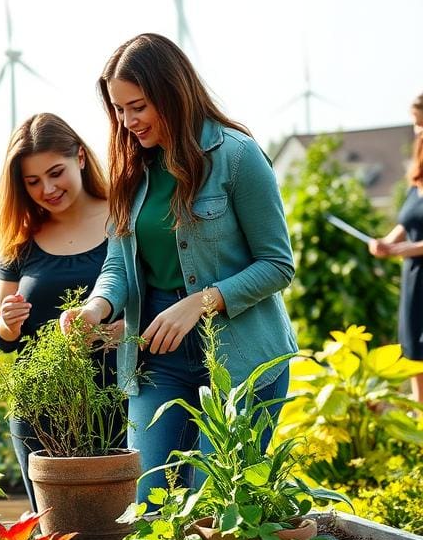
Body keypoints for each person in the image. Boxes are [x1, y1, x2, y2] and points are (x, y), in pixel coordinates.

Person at [61, 33, 297, 504]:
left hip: (242, 355)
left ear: (173, 92)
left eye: (139, 106)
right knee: (146, 502)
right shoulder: (132, 171)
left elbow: (277, 264)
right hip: (157, 356)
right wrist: (97, 306)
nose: (128, 122)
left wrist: (201, 302)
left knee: (217, 503)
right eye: (119, 109)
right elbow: (118, 263)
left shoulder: (237, 156)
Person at [0, 112, 125, 511]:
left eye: (55, 172)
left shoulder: (123, 217)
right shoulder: (20, 241)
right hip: (37, 414)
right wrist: (7, 326)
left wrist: (122, 330)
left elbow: (156, 298)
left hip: (118, 406)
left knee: (117, 537)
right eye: (32, 181)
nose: (47, 188)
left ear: (80, 157)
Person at [368, 93, 423, 402]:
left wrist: (405, 251)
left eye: (420, 124)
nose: (417, 132)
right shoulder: (417, 184)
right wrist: (386, 243)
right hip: (415, 284)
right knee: (416, 359)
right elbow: (407, 223)